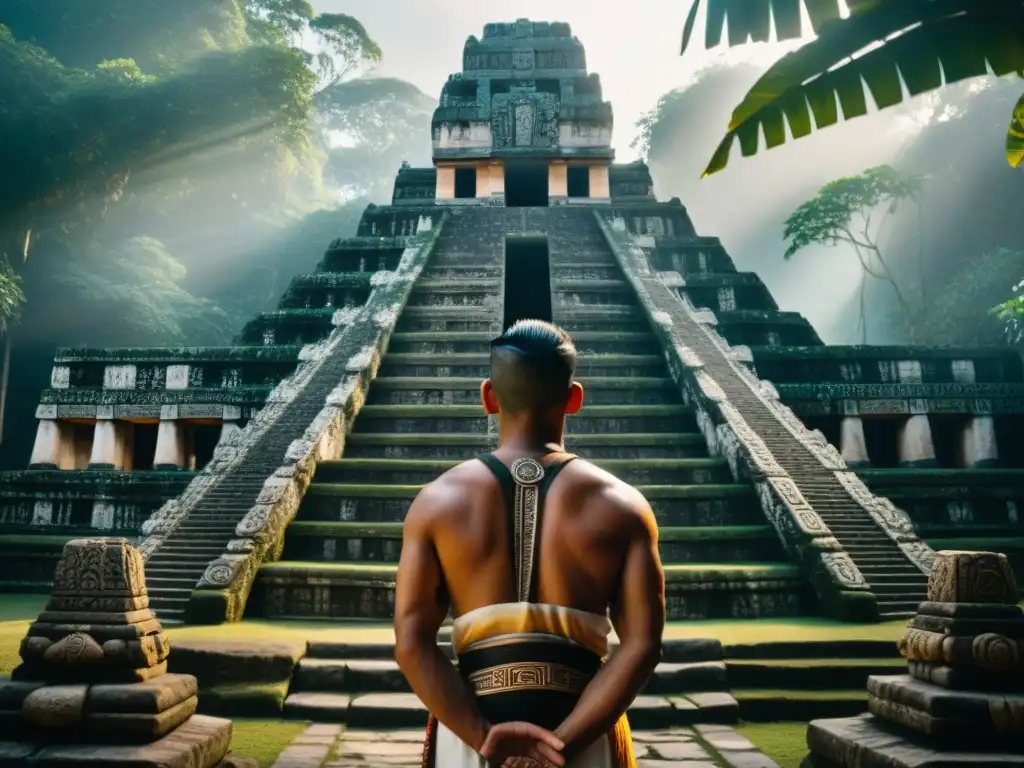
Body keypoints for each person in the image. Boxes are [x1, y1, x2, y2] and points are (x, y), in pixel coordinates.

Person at [394, 319, 666, 768]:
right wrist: (562, 744)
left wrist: (484, 737)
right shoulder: (624, 506)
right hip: (582, 735)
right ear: (574, 397)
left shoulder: (436, 503)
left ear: (488, 397)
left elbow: (411, 644)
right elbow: (642, 646)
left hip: (471, 737)